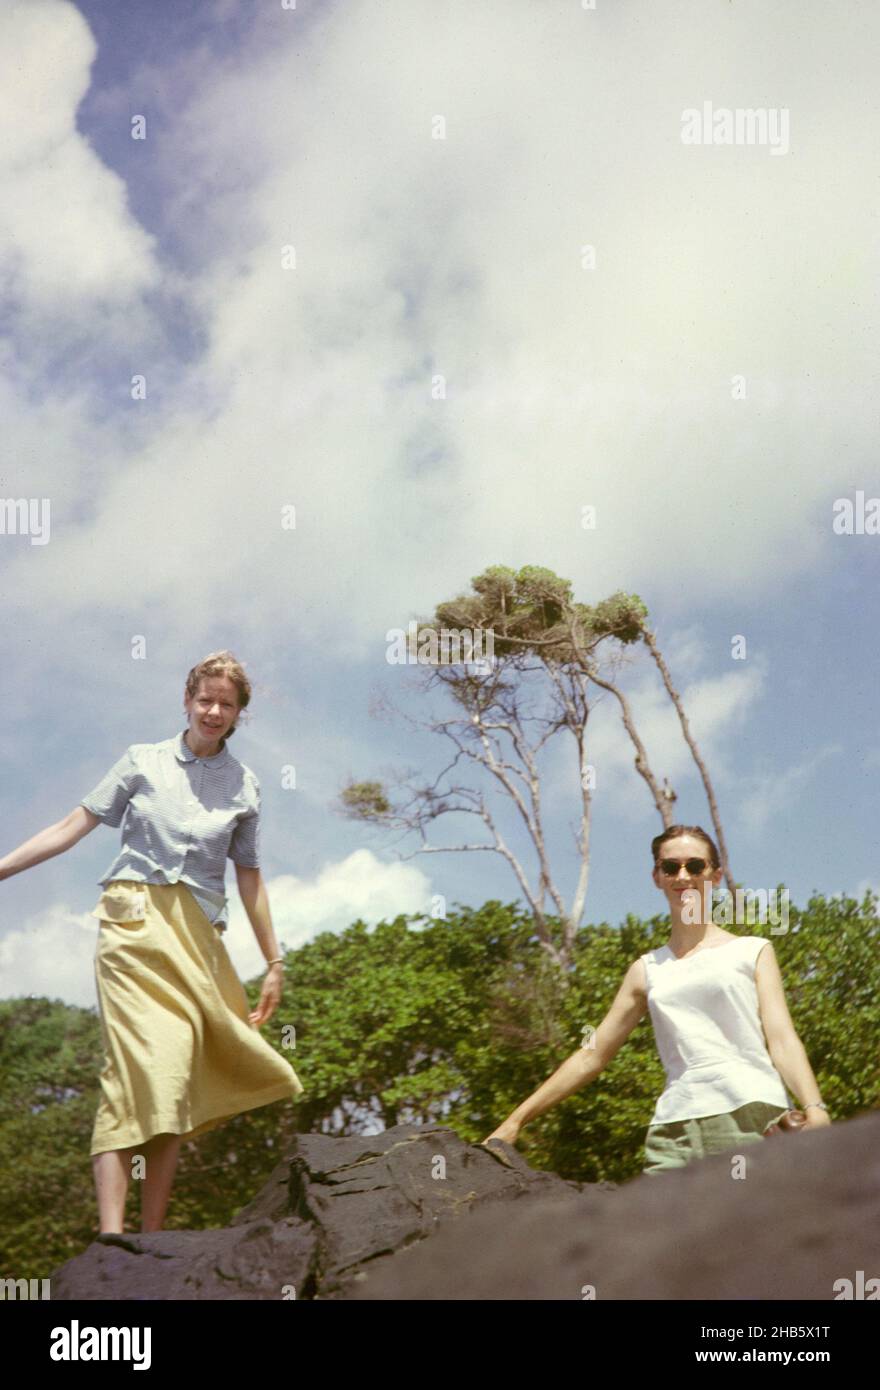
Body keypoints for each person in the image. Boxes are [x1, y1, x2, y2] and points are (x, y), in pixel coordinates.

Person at [0, 650, 303, 1234]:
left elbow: (250, 877)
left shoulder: (245, 786)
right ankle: (111, 1238)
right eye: (205, 699)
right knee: (129, 1071)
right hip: (132, 927)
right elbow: (71, 827)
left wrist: (274, 960)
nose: (213, 711)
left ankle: (151, 1239)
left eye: (227, 703)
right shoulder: (141, 762)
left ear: (240, 713)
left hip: (198, 941)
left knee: (173, 1082)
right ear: (187, 699)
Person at [483, 824, 831, 1173]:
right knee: (658, 1228)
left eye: (695, 866)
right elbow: (592, 1055)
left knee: (751, 1228)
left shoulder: (752, 951)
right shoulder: (646, 969)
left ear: (715, 875)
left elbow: (782, 1039)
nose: (683, 876)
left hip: (751, 1117)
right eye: (671, 867)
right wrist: (515, 1121)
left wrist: (815, 1107)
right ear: (657, 877)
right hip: (673, 1130)